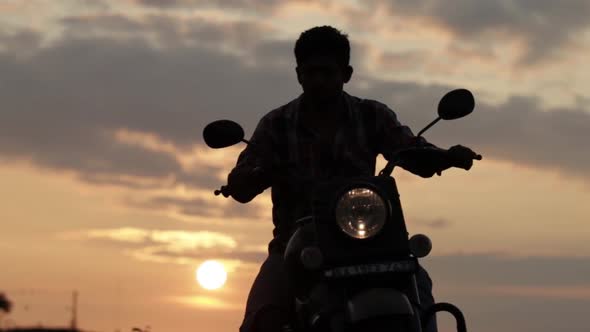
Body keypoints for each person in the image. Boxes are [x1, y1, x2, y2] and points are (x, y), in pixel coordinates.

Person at [225, 26, 479, 332]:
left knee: (419, 288)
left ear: (346, 73)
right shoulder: (276, 125)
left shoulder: (372, 115)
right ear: (298, 74)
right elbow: (244, 178)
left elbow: (409, 150)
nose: (318, 81)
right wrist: (249, 177)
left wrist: (447, 156)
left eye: (327, 73)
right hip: (296, 247)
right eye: (311, 72)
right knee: (262, 318)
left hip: (369, 242)